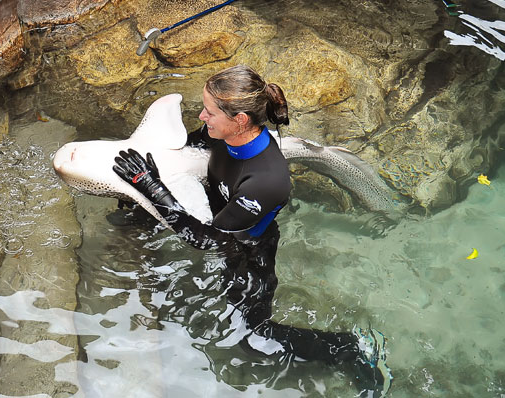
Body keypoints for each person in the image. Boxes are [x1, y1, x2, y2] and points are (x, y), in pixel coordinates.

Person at [113, 65, 392, 395]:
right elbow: (191, 148)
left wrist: (151, 187)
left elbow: (208, 239)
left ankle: (348, 349)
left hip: (248, 250)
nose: (202, 116)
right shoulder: (220, 132)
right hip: (221, 210)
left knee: (252, 337)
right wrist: (147, 183)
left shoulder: (267, 181)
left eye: (210, 111)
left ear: (241, 119)